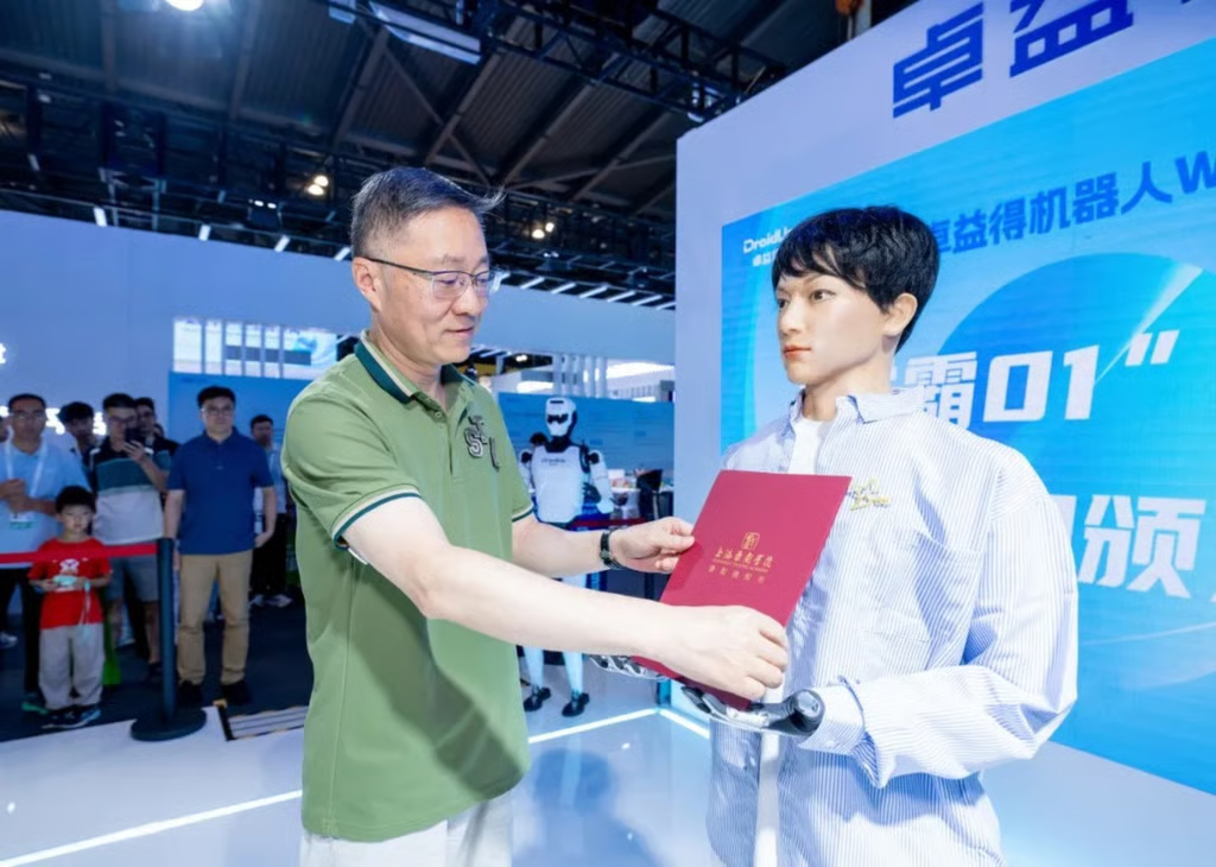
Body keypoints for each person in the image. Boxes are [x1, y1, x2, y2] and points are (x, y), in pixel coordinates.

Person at [281, 166, 787, 867]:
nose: (471, 303)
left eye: (481, 277)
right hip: (386, 777)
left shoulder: (477, 404)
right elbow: (435, 578)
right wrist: (671, 633)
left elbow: (516, 537)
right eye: (445, 279)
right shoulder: (332, 414)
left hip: (488, 749)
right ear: (370, 279)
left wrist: (612, 546)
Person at [681, 207, 1078, 866]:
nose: (789, 321)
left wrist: (839, 713)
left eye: (819, 295)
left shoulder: (980, 474)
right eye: (782, 298)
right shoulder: (746, 460)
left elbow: (1024, 691)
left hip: (889, 838)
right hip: (742, 828)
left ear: (895, 311)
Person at [164, 386, 275, 708]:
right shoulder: (187, 452)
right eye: (212, 409)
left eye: (227, 408)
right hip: (194, 548)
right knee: (190, 621)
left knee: (237, 617)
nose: (220, 414)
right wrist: (170, 544)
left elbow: (269, 491)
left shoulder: (250, 450)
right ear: (201, 414)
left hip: (238, 547)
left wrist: (269, 529)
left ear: (234, 412)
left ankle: (233, 678)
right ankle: (190, 679)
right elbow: (174, 500)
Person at [517, 396, 615, 717]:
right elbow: (516, 496)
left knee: (571, 619)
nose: (556, 423)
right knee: (530, 620)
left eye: (561, 417)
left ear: (572, 419)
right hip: (540, 539)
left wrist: (598, 493)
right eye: (551, 417)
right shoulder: (532, 455)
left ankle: (577, 691)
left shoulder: (587, 456)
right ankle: (537, 686)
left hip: (571, 540)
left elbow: (607, 501)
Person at [0, 394, 91, 711]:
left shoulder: (61, 458)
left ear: (45, 419)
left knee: (43, 631)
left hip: (46, 557)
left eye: (37, 414)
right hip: (1, 556)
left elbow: (82, 504)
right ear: (10, 418)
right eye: (21, 414)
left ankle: (40, 693)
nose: (29, 421)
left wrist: (35, 504)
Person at [87, 393, 174, 682]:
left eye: (129, 420)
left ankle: (157, 661)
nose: (122, 426)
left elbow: (168, 488)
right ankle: (109, 668)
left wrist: (144, 462)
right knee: (110, 610)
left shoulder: (154, 449)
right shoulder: (94, 455)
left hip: (148, 539)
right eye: (115, 419)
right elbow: (89, 498)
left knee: (153, 607)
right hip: (106, 543)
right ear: (105, 419)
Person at [28, 486, 111, 730]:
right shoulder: (47, 548)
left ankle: (88, 703)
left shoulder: (96, 545)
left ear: (92, 516)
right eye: (71, 514)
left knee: (89, 661)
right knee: (53, 663)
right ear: (58, 517)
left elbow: (106, 578)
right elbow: (34, 578)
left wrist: (87, 582)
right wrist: (42, 584)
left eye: (84, 514)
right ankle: (57, 705)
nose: (78, 520)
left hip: (87, 616)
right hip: (54, 616)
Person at [248, 414, 291, 608]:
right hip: (252, 511)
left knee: (277, 553)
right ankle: (257, 592)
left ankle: (277, 592)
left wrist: (290, 506)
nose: (264, 432)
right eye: (260, 429)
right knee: (256, 554)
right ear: (252, 432)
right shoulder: (246, 453)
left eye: (268, 428)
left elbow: (289, 482)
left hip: (279, 509)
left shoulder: (282, 452)